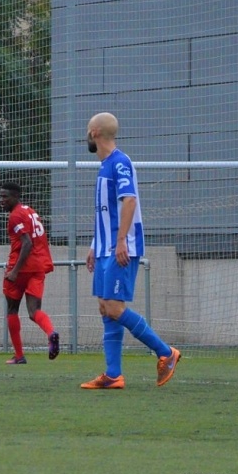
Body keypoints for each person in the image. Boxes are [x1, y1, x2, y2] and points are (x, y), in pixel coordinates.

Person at [82, 112, 181, 389]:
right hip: (104, 247)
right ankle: (113, 374)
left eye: (88, 129)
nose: (86, 134)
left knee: (114, 306)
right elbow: (107, 212)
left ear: (95, 133)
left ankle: (165, 352)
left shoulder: (120, 162)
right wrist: (94, 246)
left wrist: (122, 240)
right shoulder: (104, 166)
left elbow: (129, 201)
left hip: (119, 246)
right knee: (106, 307)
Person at [0, 181, 59, 364]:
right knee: (34, 311)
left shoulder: (15, 216)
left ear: (16, 197)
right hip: (38, 266)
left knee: (12, 309)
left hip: (21, 266)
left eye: (5, 197)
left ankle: (19, 356)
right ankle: (51, 333)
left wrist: (15, 271)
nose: (1, 200)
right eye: (0, 196)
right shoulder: (30, 211)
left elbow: (27, 243)